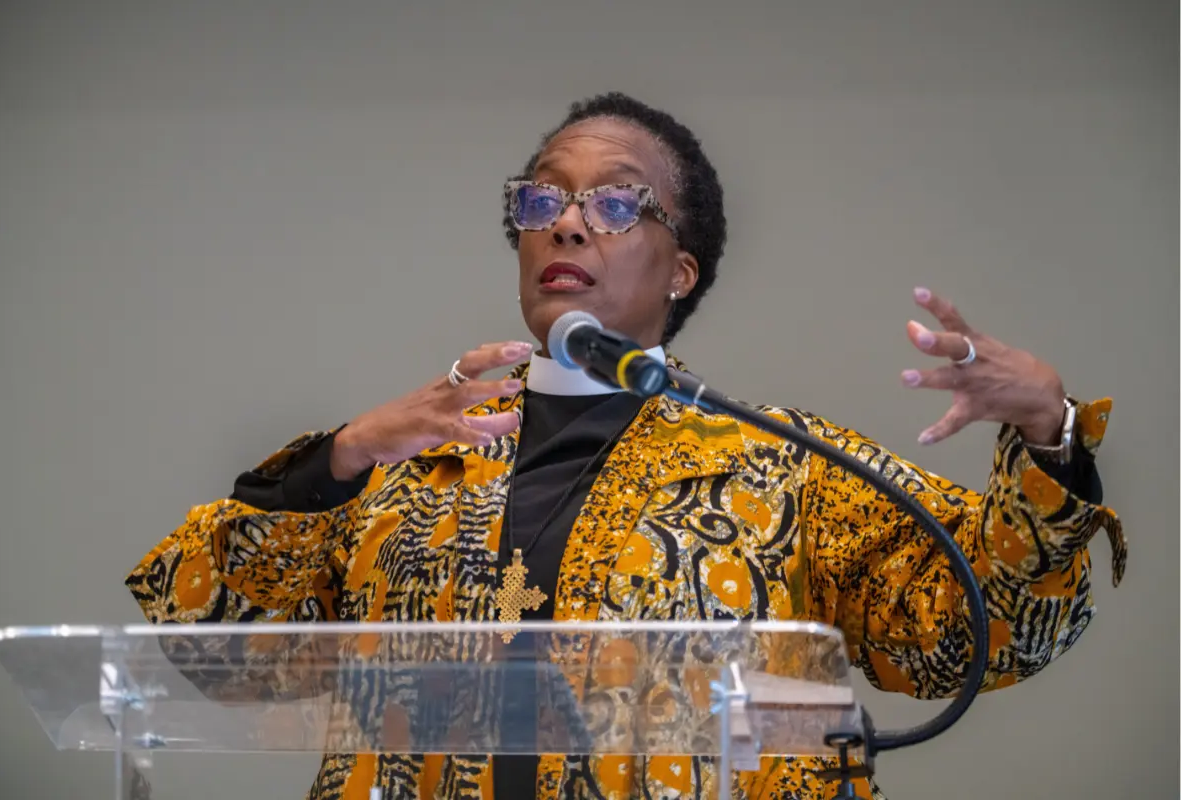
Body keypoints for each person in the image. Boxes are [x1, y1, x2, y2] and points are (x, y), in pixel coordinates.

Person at [126, 92, 1126, 799]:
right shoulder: (406, 464)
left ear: (681, 269)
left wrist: (1048, 435)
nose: (564, 222)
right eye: (541, 198)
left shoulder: (783, 464)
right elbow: (210, 639)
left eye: (613, 203)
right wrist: (339, 456)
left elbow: (978, 632)